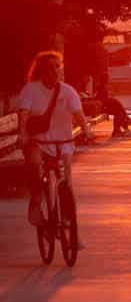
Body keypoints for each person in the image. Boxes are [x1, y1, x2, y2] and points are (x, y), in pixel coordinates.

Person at [17, 51, 93, 227]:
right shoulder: (31, 89)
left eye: (58, 66)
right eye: (51, 67)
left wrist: (86, 130)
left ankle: (71, 227)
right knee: (35, 166)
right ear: (42, 70)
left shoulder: (68, 91)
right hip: (37, 142)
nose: (55, 71)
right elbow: (24, 114)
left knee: (67, 182)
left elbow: (78, 114)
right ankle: (36, 201)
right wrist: (23, 134)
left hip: (63, 142)